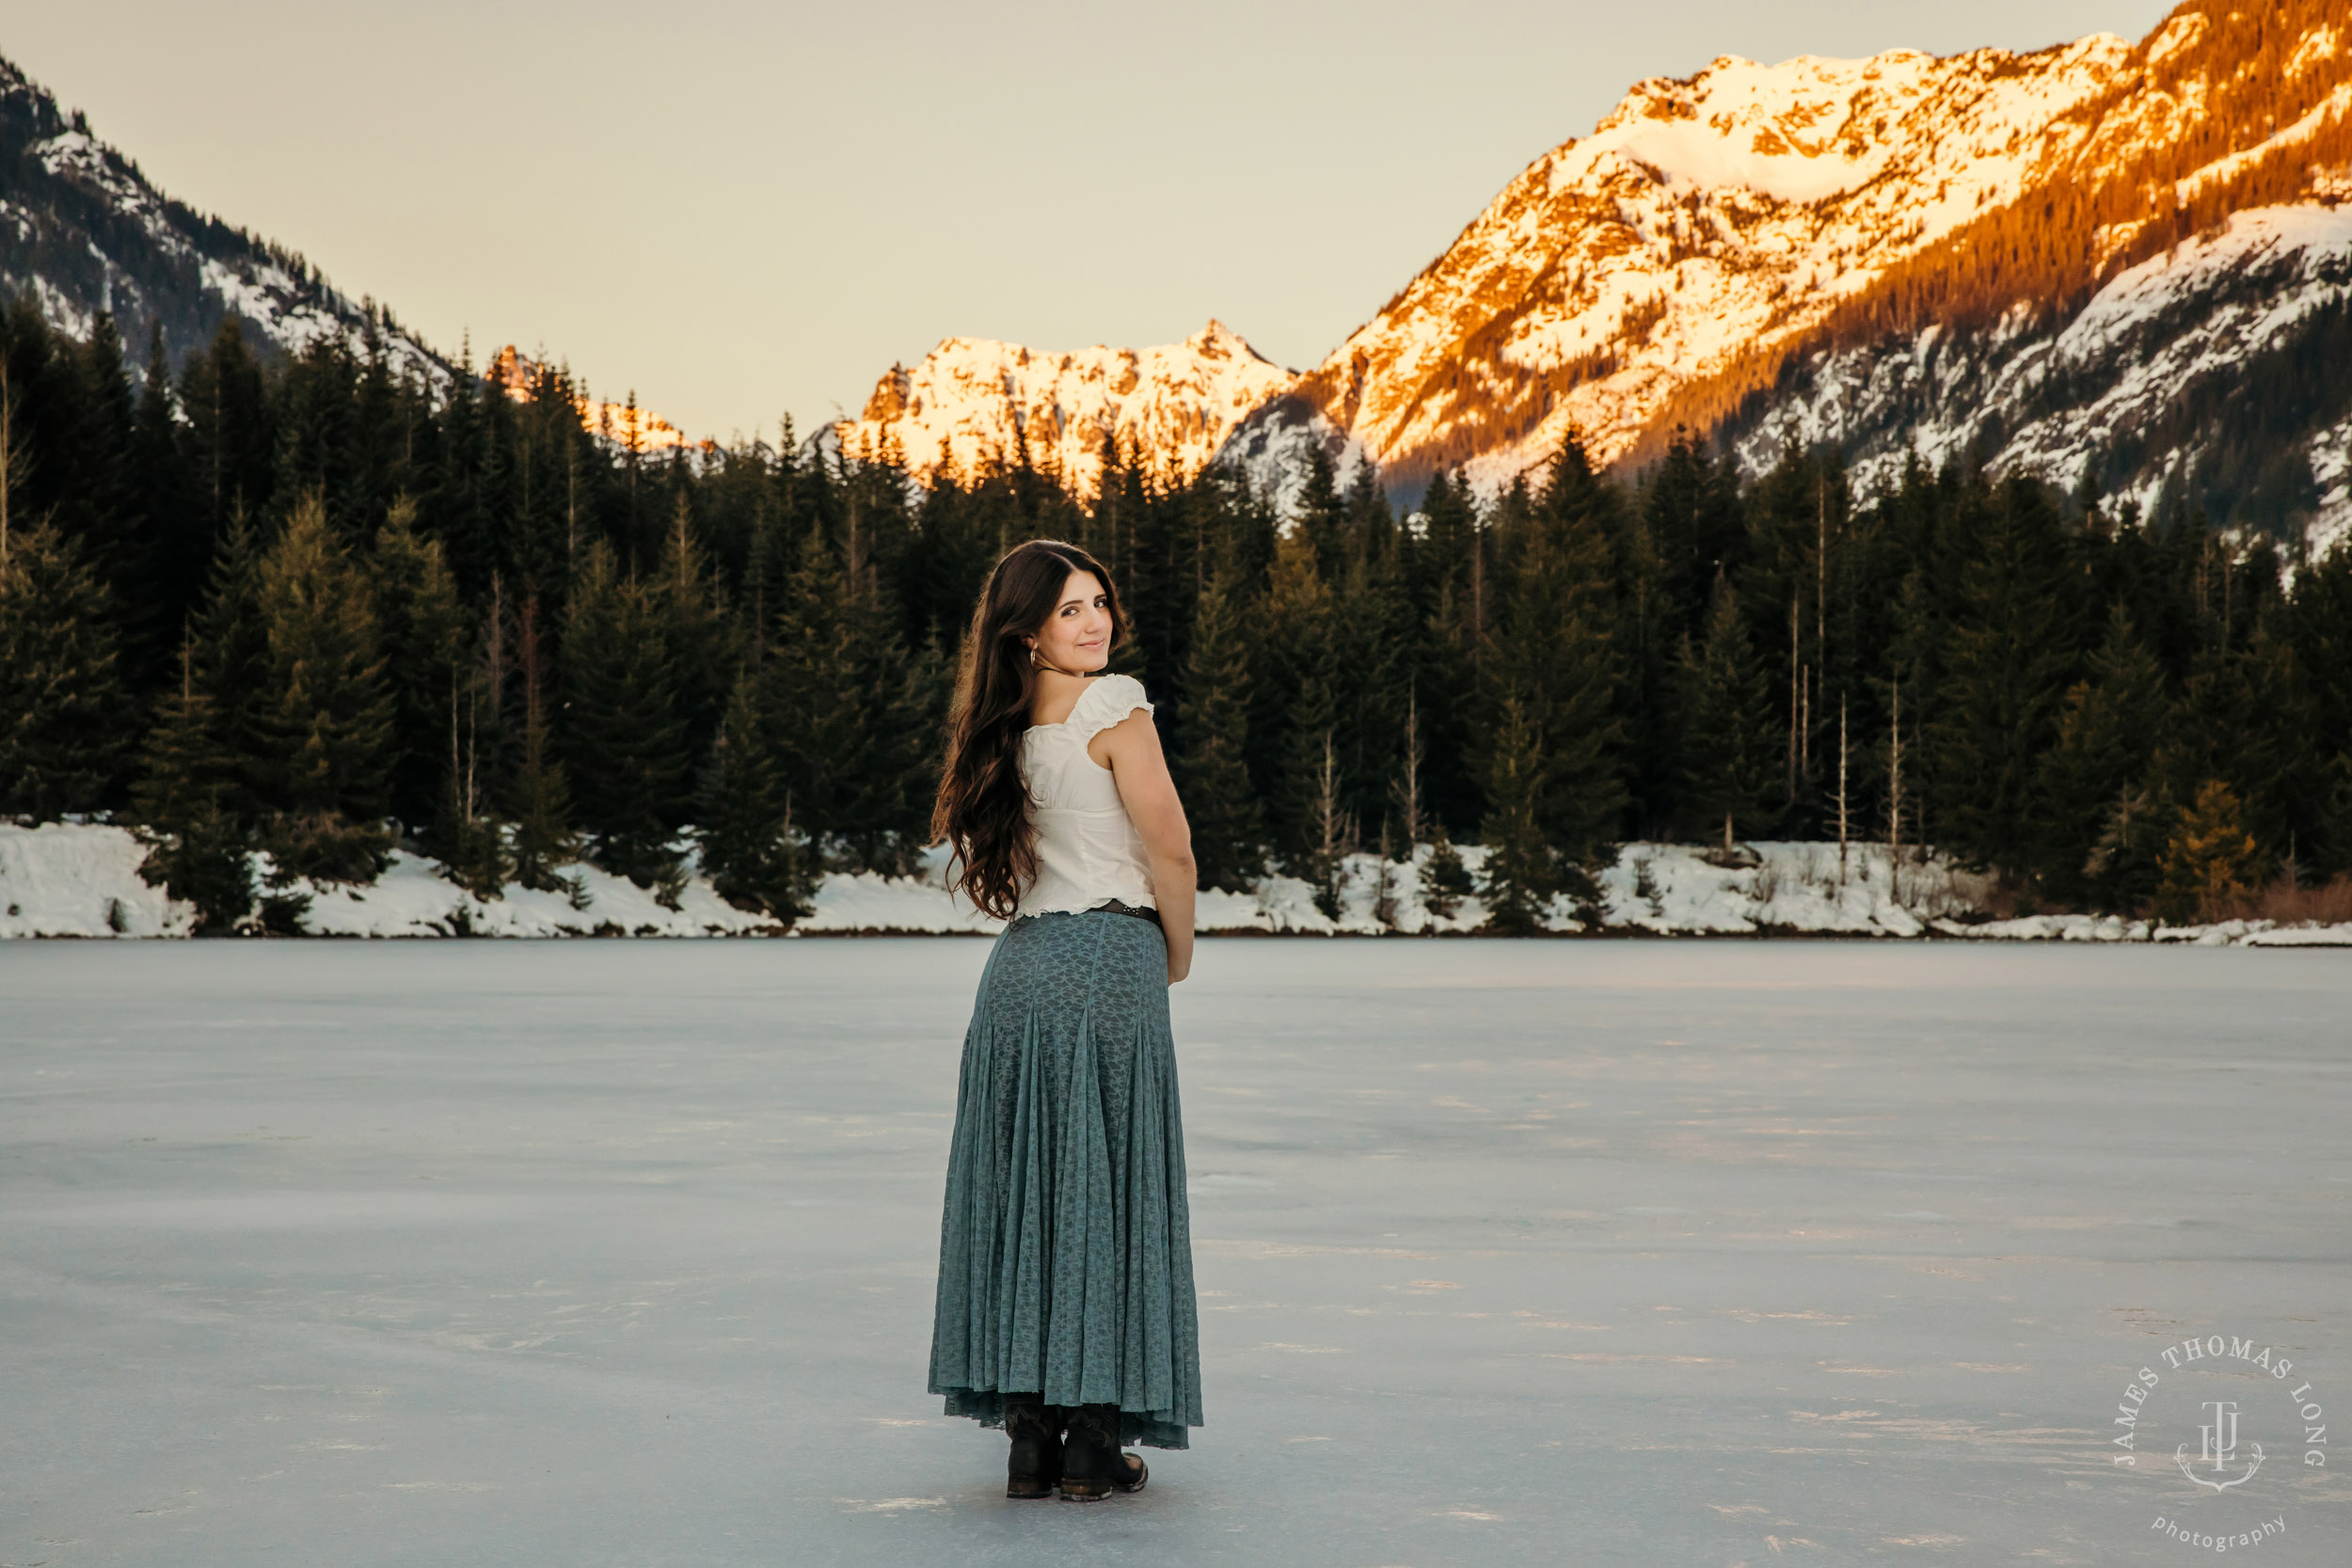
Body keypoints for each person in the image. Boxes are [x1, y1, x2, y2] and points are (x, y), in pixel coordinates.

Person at [925, 538, 1204, 1500]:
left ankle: (1029, 1435)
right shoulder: (1115, 706)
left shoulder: (995, 726)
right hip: (1110, 951)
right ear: (1029, 635)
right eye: (1071, 610)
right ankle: (1092, 1437)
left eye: (1100, 604)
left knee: (1026, 1191)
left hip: (1019, 971)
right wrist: (1175, 948)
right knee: (1105, 1183)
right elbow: (1168, 845)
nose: (1096, 622)